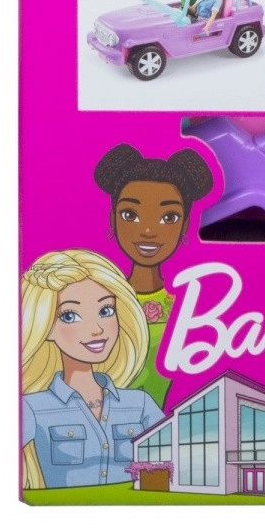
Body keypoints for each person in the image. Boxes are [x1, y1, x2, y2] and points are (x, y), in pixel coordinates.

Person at [21, 250, 164, 491]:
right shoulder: (33, 407)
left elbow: (177, 452)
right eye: (69, 315)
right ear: (46, 326)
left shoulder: (139, 403)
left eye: (106, 311)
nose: (97, 329)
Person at [93, 144, 214, 404]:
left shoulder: (187, 303)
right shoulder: (102, 300)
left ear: (185, 224)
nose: (148, 231)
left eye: (169, 217)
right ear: (113, 218)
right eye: (130, 214)